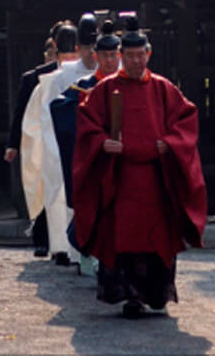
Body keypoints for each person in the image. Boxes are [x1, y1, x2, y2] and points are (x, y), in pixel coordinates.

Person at [73, 15, 207, 318]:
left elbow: (186, 120)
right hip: (120, 176)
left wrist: (170, 143)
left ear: (149, 54)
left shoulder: (163, 88)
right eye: (130, 56)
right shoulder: (106, 89)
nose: (135, 61)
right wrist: (102, 142)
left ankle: (156, 294)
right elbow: (87, 122)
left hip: (155, 176)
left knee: (156, 235)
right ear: (121, 56)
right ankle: (130, 296)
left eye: (140, 55)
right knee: (123, 236)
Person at [49, 18, 121, 274]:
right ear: (96, 56)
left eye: (114, 55)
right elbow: (59, 109)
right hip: (95, 160)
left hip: (127, 158)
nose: (110, 61)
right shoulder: (84, 87)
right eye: (105, 56)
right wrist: (85, 108)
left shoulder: (131, 84)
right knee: (94, 208)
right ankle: (89, 257)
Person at [19, 21, 86, 265]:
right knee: (57, 197)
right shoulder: (47, 81)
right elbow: (33, 121)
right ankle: (60, 246)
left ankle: (76, 248)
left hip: (76, 143)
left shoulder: (90, 75)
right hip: (55, 145)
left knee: (75, 196)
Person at [5, 20, 69, 257]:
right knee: (43, 188)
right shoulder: (35, 77)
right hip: (41, 140)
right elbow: (21, 113)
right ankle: (42, 238)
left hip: (65, 138)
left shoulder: (76, 73)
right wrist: (13, 144)